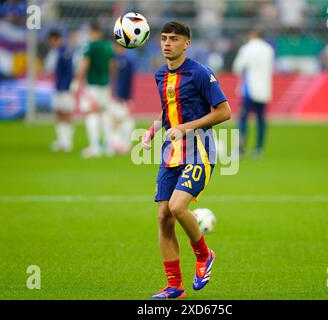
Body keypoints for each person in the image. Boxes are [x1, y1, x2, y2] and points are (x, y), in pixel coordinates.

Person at [141, 21, 231, 299]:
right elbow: (167, 111)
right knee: (163, 217)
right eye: (164, 38)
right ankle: (174, 287)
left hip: (199, 151)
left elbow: (224, 112)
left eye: (174, 39)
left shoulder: (201, 73)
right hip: (171, 153)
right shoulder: (160, 75)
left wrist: (186, 128)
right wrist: (153, 130)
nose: (167, 43)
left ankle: (204, 256)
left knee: (179, 207)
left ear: (186, 43)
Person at [75, 20, 115, 158]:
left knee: (90, 113)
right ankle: (109, 146)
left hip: (92, 84)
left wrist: (77, 80)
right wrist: (111, 80)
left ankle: (95, 147)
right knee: (104, 113)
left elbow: (85, 63)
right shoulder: (108, 46)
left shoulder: (90, 46)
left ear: (93, 31)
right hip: (105, 83)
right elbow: (112, 65)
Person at [232, 27, 274, 158]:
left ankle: (240, 149)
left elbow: (237, 68)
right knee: (261, 120)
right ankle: (258, 149)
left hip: (249, 90)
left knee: (242, 119)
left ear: (253, 34)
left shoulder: (247, 48)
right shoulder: (269, 49)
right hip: (264, 90)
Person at [47, 30, 74, 152]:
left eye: (52, 41)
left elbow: (69, 71)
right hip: (58, 87)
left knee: (66, 113)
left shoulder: (65, 52)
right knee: (58, 113)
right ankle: (61, 140)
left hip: (66, 88)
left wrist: (68, 86)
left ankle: (67, 142)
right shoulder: (57, 52)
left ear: (56, 39)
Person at [110, 44, 135, 154]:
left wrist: (122, 96)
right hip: (122, 95)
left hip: (121, 96)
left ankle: (121, 144)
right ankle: (121, 144)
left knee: (119, 120)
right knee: (122, 119)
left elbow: (124, 81)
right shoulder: (125, 60)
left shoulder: (122, 61)